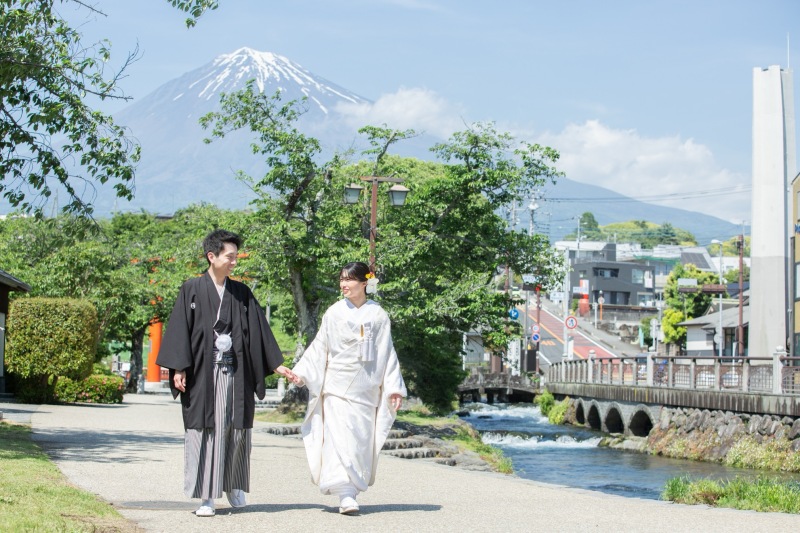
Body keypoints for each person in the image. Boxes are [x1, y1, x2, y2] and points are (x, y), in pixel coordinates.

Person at [156, 229, 294, 517]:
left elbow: (259, 333)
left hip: (237, 372)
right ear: (212, 256)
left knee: (236, 427)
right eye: (229, 256)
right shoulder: (192, 289)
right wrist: (178, 367)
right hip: (204, 375)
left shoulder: (242, 293)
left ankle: (233, 485)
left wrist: (275, 363)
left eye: (235, 257)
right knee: (206, 429)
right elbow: (181, 329)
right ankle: (206, 495)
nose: (234, 262)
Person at [290, 261, 406, 515]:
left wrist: (394, 388)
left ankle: (351, 489)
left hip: (366, 389)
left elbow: (387, 353)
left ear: (365, 282)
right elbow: (320, 347)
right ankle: (345, 493)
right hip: (337, 387)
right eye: (341, 279)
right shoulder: (333, 312)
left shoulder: (378, 315)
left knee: (359, 441)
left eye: (349, 280)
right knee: (338, 440)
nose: (343, 284)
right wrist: (301, 373)